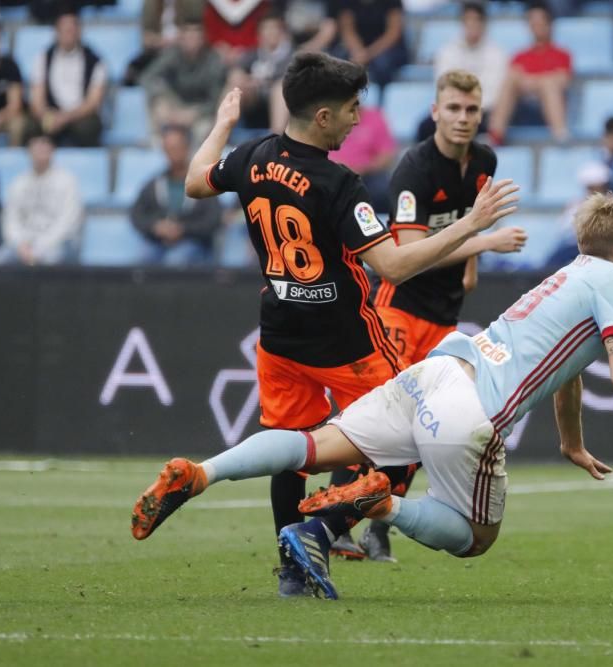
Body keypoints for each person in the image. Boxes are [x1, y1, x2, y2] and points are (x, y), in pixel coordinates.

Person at [130, 191, 613, 600]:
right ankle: (376, 503)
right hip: (471, 410)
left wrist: (571, 442)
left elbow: (567, 370)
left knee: (314, 445)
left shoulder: (570, 274)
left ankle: (200, 472)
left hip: (437, 370)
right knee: (475, 538)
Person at [152, 52, 518, 596]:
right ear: (322, 117)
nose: (357, 119)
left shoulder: (253, 156)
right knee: (410, 439)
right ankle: (320, 533)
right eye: (351, 109)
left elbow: (195, 182)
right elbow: (396, 264)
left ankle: (292, 567)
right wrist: (472, 227)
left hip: (279, 335)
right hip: (349, 343)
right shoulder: (340, 184)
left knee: (292, 451)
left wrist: (223, 125)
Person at [345, 69, 526, 560]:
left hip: (444, 316)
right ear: (435, 112)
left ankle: (378, 523)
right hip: (401, 309)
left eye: (471, 110)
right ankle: (336, 519)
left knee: (428, 427)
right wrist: (484, 243)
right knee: (382, 422)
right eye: (453, 109)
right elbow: (409, 252)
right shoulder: (413, 171)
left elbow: (471, 214)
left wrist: (470, 263)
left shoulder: (484, 159)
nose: (463, 119)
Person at [131, 124, 222, 266]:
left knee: (176, 260)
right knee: (143, 259)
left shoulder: (202, 182)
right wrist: (156, 226)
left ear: (187, 148)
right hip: (158, 241)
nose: (171, 153)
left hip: (192, 242)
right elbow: (136, 214)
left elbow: (213, 219)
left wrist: (184, 229)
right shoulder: (154, 184)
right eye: (167, 149)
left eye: (176, 147)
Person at [487, 1, 573, 144]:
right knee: (512, 78)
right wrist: (539, 81)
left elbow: (563, 80)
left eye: (540, 23)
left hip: (549, 102)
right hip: (522, 105)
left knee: (549, 84)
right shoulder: (519, 56)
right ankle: (495, 134)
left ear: (549, 24)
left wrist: (533, 82)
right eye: (533, 23)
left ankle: (560, 134)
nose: (536, 27)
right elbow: (514, 80)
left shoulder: (562, 54)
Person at [0, 134, 83, 266]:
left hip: (56, 244)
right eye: (36, 147)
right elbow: (10, 219)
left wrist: (40, 247)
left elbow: (68, 221)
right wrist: (20, 244)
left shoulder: (67, 181)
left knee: (52, 258)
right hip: (23, 244)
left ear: (52, 150)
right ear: (28, 151)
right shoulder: (19, 183)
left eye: (44, 147)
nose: (40, 151)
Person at [140, 19, 227, 144]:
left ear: (203, 39)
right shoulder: (172, 54)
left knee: (205, 130)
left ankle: (196, 161)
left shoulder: (213, 60)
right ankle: (156, 146)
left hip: (199, 111)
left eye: (195, 36)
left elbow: (215, 100)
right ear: (181, 38)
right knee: (158, 105)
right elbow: (148, 77)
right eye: (188, 36)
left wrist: (194, 113)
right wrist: (162, 100)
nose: (191, 41)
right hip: (174, 106)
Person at [28, 9, 107, 147]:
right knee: (31, 127)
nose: (68, 34)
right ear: (56, 32)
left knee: (90, 127)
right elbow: (37, 100)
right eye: (64, 30)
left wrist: (65, 118)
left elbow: (93, 102)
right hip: (51, 114)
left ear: (79, 31)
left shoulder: (95, 61)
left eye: (72, 30)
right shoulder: (43, 58)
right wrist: (48, 117)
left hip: (80, 116)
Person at [433, 1, 508, 117]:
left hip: (483, 111)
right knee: (425, 127)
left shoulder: (497, 54)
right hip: (453, 109)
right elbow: (443, 85)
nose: (472, 24)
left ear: (484, 24)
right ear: (462, 23)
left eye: (476, 20)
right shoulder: (447, 51)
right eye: (468, 20)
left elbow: (494, 92)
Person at [227, 12, 293, 132]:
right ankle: (221, 131)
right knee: (236, 78)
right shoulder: (252, 54)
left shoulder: (292, 55)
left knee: (280, 88)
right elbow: (237, 73)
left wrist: (262, 82)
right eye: (266, 28)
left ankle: (276, 137)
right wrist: (247, 81)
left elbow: (291, 79)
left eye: (274, 28)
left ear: (282, 32)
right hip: (254, 99)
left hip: (283, 100)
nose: (270, 32)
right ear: (259, 34)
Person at [337, 0, 408, 88]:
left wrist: (368, 54)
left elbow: (393, 33)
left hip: (387, 48)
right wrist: (358, 52)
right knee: (339, 61)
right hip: (359, 48)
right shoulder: (347, 2)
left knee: (382, 63)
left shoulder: (392, 2)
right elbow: (347, 30)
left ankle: (380, 97)